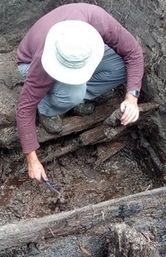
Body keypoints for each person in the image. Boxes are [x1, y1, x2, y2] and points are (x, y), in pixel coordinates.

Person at [15, 3, 144, 182]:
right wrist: (32, 159)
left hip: (73, 53)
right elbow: (25, 107)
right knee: (73, 93)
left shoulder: (98, 20)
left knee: (119, 67)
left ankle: (71, 97)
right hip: (28, 63)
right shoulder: (44, 58)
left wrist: (132, 97)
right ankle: (48, 109)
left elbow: (134, 53)